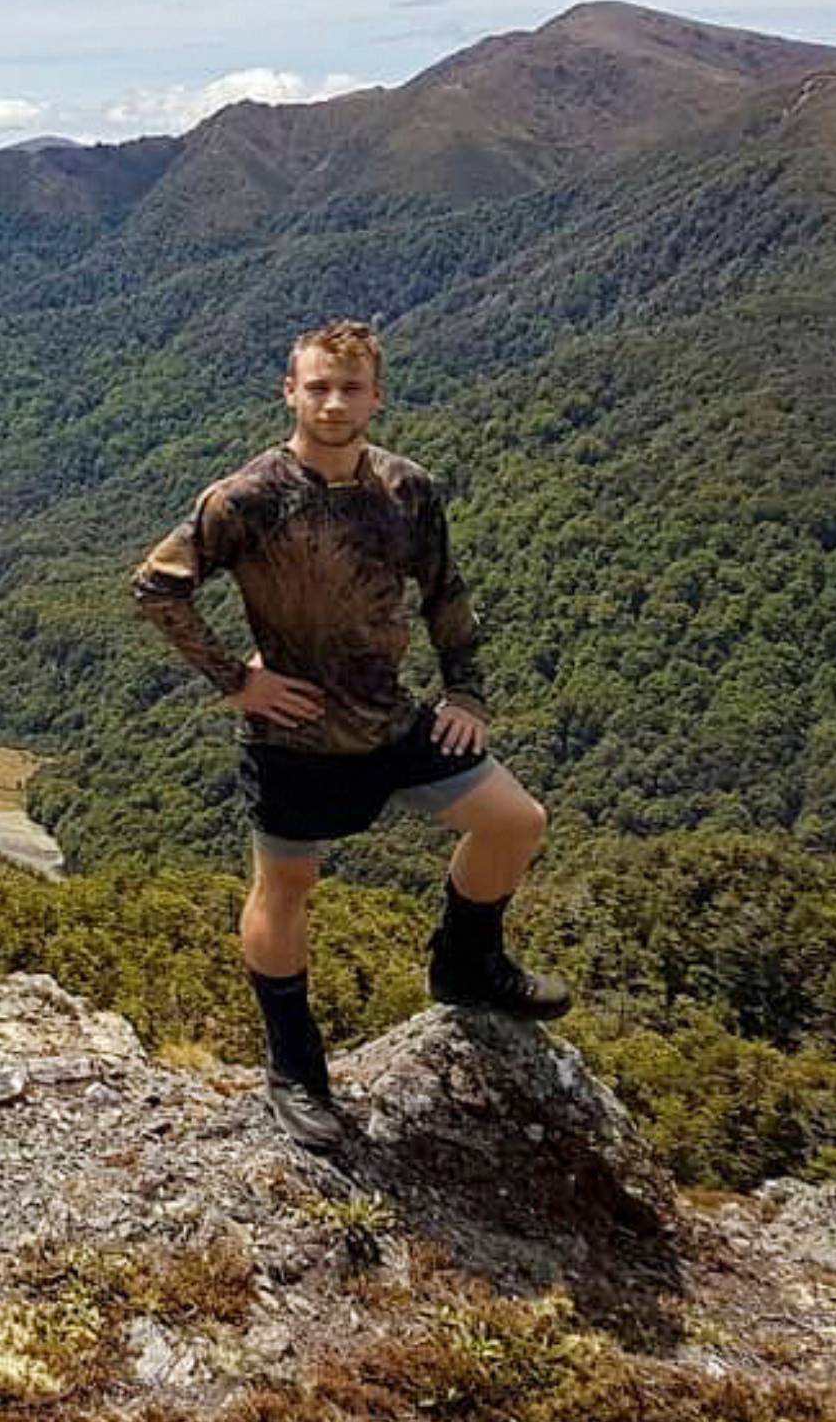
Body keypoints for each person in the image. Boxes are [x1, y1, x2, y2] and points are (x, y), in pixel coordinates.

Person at [130, 318, 570, 1152]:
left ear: (377, 395)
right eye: (319, 387)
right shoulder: (246, 497)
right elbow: (157, 589)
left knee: (516, 821)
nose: (334, 402)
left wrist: (466, 691)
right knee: (289, 884)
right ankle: (294, 1069)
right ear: (288, 392)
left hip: (392, 716)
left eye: (351, 387)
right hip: (291, 733)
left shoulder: (408, 489)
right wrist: (238, 680)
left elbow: (445, 592)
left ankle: (466, 963)